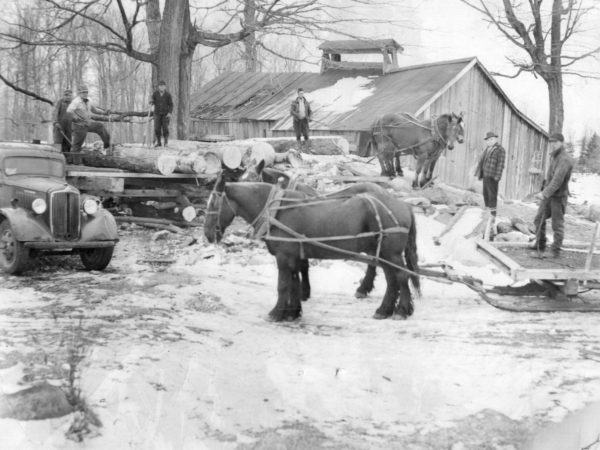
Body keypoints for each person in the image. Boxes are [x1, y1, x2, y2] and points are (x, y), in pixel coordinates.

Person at [530, 132, 574, 257]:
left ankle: (555, 251)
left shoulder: (564, 159)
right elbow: (551, 178)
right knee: (539, 219)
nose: (552, 145)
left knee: (557, 224)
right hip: (549, 196)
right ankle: (540, 244)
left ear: (561, 143)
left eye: (555, 142)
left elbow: (557, 180)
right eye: (551, 142)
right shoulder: (555, 156)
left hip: (558, 197)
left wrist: (544, 194)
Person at [66, 85, 112, 164]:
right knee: (77, 146)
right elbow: (69, 111)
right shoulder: (76, 101)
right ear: (79, 93)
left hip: (87, 123)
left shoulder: (89, 100)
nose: (85, 94)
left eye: (86, 92)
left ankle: (107, 145)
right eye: (83, 93)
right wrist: (75, 117)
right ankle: (77, 164)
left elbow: (94, 110)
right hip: (79, 126)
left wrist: (104, 112)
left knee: (100, 126)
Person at [475, 131, 506, 238]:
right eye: (488, 140)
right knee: (486, 195)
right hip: (486, 175)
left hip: (493, 177)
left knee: (492, 197)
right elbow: (482, 162)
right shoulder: (487, 150)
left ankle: (492, 218)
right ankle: (487, 214)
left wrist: (497, 178)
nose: (490, 141)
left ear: (495, 139)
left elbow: (500, 165)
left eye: (492, 139)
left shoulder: (500, 150)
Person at [150, 80, 173, 147]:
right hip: (157, 113)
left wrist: (170, 112)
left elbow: (171, 104)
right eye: (160, 86)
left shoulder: (168, 95)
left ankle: (165, 142)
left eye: (163, 86)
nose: (161, 88)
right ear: (158, 87)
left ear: (165, 87)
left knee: (165, 128)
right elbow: (152, 101)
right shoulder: (155, 94)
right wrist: (151, 102)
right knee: (157, 128)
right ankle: (159, 142)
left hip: (165, 114)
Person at [52, 88, 73, 154]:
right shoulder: (60, 102)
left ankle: (67, 158)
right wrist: (56, 122)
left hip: (69, 126)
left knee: (68, 143)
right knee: (58, 143)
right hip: (59, 126)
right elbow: (55, 113)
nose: (68, 97)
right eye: (66, 95)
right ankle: (57, 157)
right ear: (64, 96)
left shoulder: (73, 103)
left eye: (69, 95)